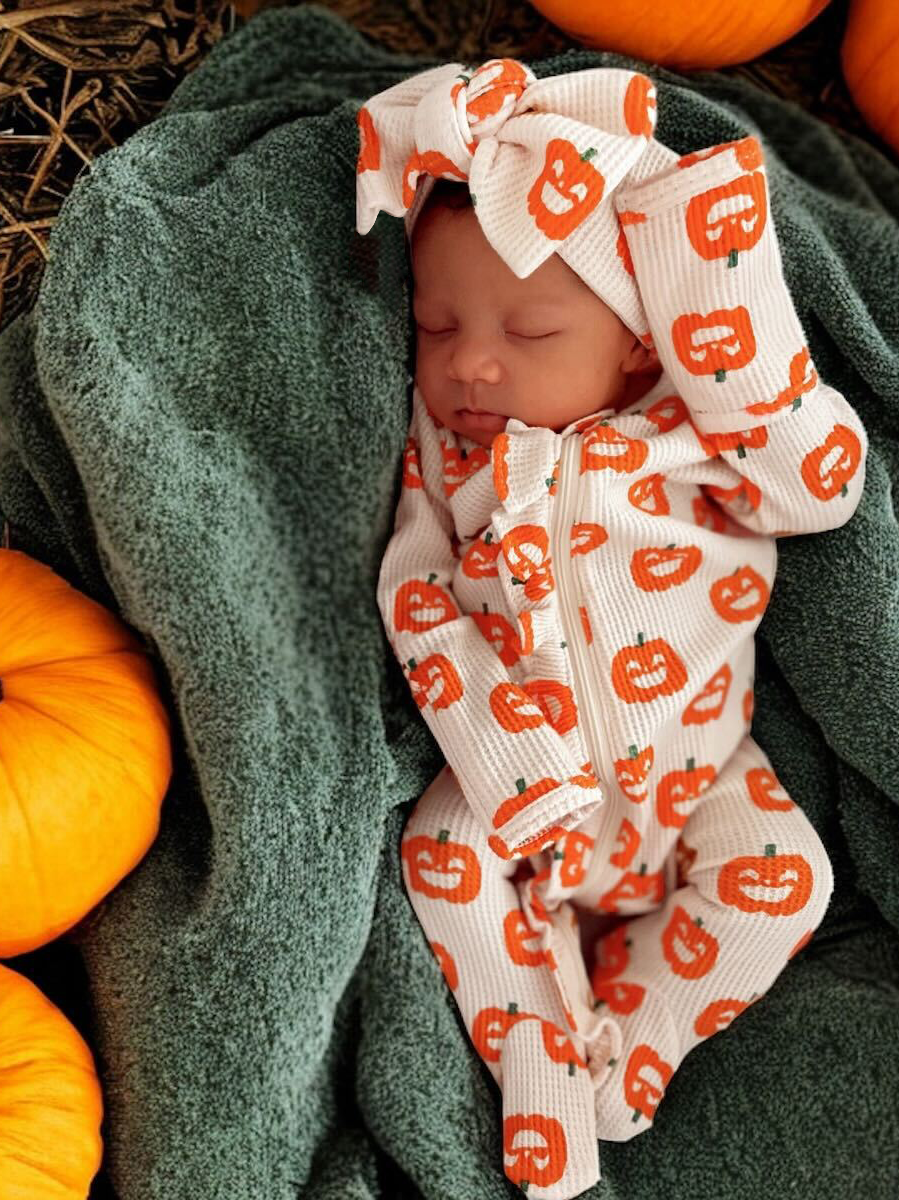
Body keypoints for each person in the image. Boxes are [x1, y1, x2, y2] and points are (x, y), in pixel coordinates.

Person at [356, 58, 868, 1199]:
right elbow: (417, 598)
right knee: (439, 859)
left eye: (528, 331)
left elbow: (820, 485)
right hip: (522, 789)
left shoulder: (699, 440)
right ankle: (542, 1075)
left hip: (696, 777)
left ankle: (627, 1054)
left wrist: (711, 287)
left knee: (788, 876)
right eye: (436, 326)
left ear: (640, 341)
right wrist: (513, 767)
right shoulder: (451, 465)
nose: (468, 362)